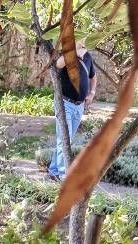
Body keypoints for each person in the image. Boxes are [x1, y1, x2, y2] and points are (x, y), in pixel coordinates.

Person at [48, 39, 97, 180]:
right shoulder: (66, 54)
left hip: (79, 105)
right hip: (65, 103)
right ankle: (64, 177)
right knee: (65, 138)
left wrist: (92, 93)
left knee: (66, 138)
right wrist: (75, 53)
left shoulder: (88, 57)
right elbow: (58, 64)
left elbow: (93, 77)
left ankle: (53, 170)